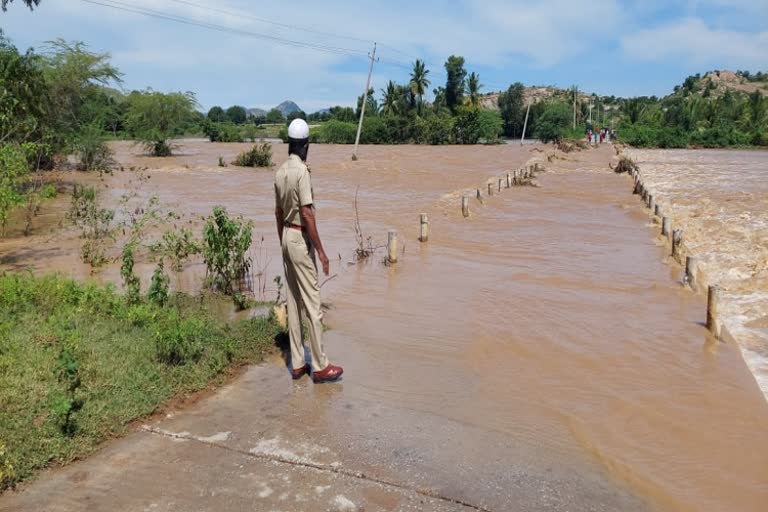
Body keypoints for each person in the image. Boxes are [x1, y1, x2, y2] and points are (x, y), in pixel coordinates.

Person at [274, 119, 343, 383]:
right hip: (300, 239)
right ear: (305, 145)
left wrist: (282, 241)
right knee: (313, 304)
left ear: (289, 143)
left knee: (293, 301)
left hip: (286, 237)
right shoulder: (302, 172)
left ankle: (298, 363)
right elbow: (306, 212)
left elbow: (278, 212)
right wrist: (322, 251)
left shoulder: (280, 172)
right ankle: (321, 366)